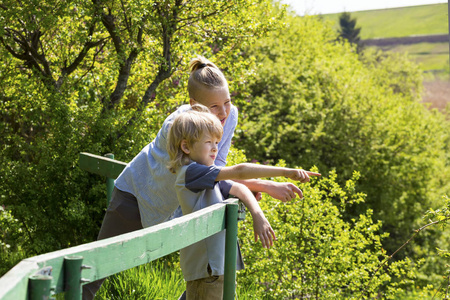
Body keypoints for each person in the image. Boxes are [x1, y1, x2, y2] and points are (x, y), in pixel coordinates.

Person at [82, 56, 306, 299]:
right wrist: (263, 184)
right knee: (95, 270)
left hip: (175, 203)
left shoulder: (228, 117)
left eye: (227, 102)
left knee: (205, 275)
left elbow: (214, 169)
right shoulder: (178, 127)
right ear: (193, 104)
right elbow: (207, 174)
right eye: (214, 107)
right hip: (136, 195)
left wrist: (254, 187)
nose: (223, 113)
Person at [167, 105, 320, 300]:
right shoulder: (190, 172)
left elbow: (238, 187)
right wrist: (285, 171)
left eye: (216, 141)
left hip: (217, 267)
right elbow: (239, 172)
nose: (215, 148)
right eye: (208, 142)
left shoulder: (205, 176)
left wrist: (259, 214)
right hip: (207, 270)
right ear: (186, 147)